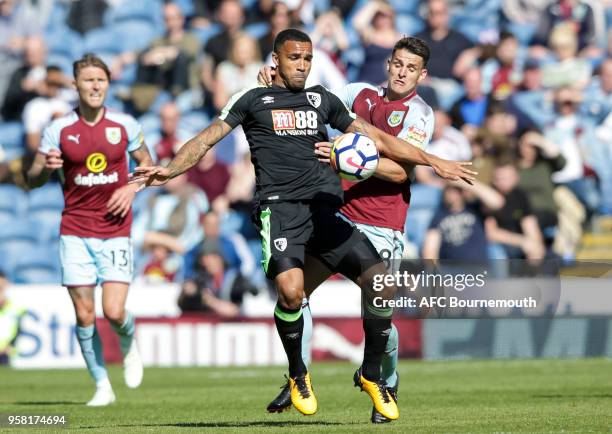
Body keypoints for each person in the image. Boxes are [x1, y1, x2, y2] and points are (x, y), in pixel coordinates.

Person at [132, 29, 475, 421]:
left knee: (380, 290)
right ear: (276, 60)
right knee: (294, 295)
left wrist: (434, 161)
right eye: (294, 58)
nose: (303, 65)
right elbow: (206, 138)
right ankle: (297, 375)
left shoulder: (323, 100)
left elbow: (377, 139)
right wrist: (170, 170)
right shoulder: (255, 99)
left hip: (332, 212)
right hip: (283, 212)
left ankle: (376, 376)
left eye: (308, 59)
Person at [258, 36, 436, 423]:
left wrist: (347, 159)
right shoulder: (357, 93)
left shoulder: (420, 114)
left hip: (382, 224)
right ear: (388, 64)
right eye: (398, 64)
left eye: (412, 68)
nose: (403, 73)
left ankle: (385, 381)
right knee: (296, 294)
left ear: (422, 75)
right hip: (338, 215)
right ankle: (296, 377)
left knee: (379, 312)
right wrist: (273, 85)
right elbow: (308, 104)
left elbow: (399, 171)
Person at [26, 54, 154, 406]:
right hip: (75, 230)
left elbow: (147, 166)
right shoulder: (59, 130)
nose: (95, 86)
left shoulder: (125, 125)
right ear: (76, 85)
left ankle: (128, 343)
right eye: (88, 80)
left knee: (113, 312)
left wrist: (131, 188)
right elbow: (31, 179)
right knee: (84, 314)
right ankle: (102, 386)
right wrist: (45, 168)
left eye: (101, 80)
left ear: (108, 84)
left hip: (114, 229)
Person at [0, 270, 25, 365]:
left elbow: (19, 331)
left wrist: (9, 346)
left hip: (6, 354)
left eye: (1, 287)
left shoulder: (16, 308)